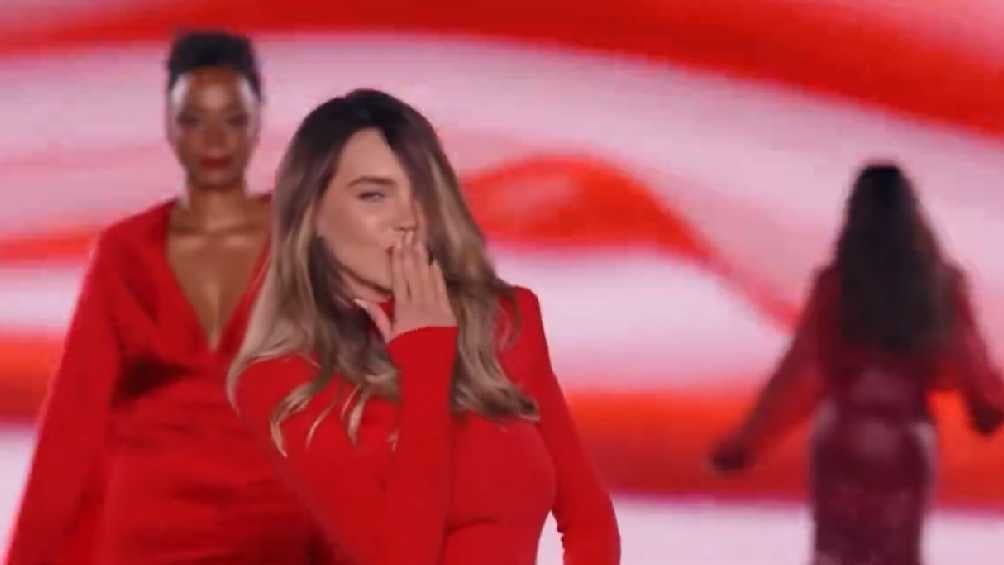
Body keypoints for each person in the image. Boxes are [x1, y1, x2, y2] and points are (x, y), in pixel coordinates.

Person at [227, 88, 621, 565]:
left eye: (421, 194)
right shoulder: (281, 380)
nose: (407, 220)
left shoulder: (503, 322)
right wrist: (425, 359)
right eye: (374, 195)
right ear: (312, 216)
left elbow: (588, 519)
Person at [5, 30, 329, 564]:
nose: (214, 140)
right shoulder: (125, 252)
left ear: (257, 122)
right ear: (169, 125)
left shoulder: (308, 243)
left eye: (232, 118)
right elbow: (74, 425)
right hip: (150, 527)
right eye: (193, 119)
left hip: (274, 523)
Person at [710, 163, 1004, 565]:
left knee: (839, 552)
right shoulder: (943, 285)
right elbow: (968, 357)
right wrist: (985, 405)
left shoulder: (835, 285)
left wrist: (746, 444)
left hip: (841, 436)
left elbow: (800, 371)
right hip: (907, 441)